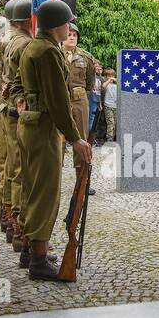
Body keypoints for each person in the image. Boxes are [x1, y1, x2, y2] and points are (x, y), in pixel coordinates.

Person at [17, 0, 92, 280]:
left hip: (32, 126)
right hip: (44, 128)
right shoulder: (47, 52)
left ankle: (32, 247)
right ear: (58, 25)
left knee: (32, 189)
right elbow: (58, 101)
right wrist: (75, 138)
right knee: (44, 193)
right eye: (67, 23)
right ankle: (38, 259)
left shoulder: (35, 48)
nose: (69, 28)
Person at [0, 0, 34, 252]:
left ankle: (8, 219)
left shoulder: (7, 41)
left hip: (6, 109)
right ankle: (20, 230)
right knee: (21, 170)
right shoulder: (24, 45)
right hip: (17, 112)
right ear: (27, 19)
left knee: (7, 166)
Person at [63, 21, 99, 194]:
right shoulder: (54, 53)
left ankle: (82, 181)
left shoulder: (85, 57)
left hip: (79, 101)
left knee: (82, 139)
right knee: (56, 141)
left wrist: (80, 93)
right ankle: (52, 182)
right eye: (69, 34)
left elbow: (90, 82)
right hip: (59, 101)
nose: (71, 37)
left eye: (74, 35)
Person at [101, 67, 118, 142]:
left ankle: (114, 137)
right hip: (108, 106)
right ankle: (109, 138)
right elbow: (103, 86)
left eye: (112, 75)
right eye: (108, 75)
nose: (110, 77)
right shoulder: (106, 84)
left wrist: (116, 80)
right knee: (111, 122)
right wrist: (109, 80)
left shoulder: (116, 85)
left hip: (116, 106)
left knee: (115, 123)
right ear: (105, 77)